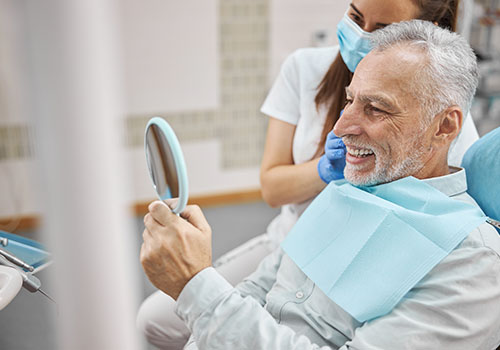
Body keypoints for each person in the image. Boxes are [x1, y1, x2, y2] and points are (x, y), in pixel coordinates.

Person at [136, 0, 481, 347]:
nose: (341, 127)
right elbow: (261, 287)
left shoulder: (468, 260)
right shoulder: (348, 187)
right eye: (349, 102)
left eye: (375, 108)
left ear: (444, 127)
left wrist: (196, 285)